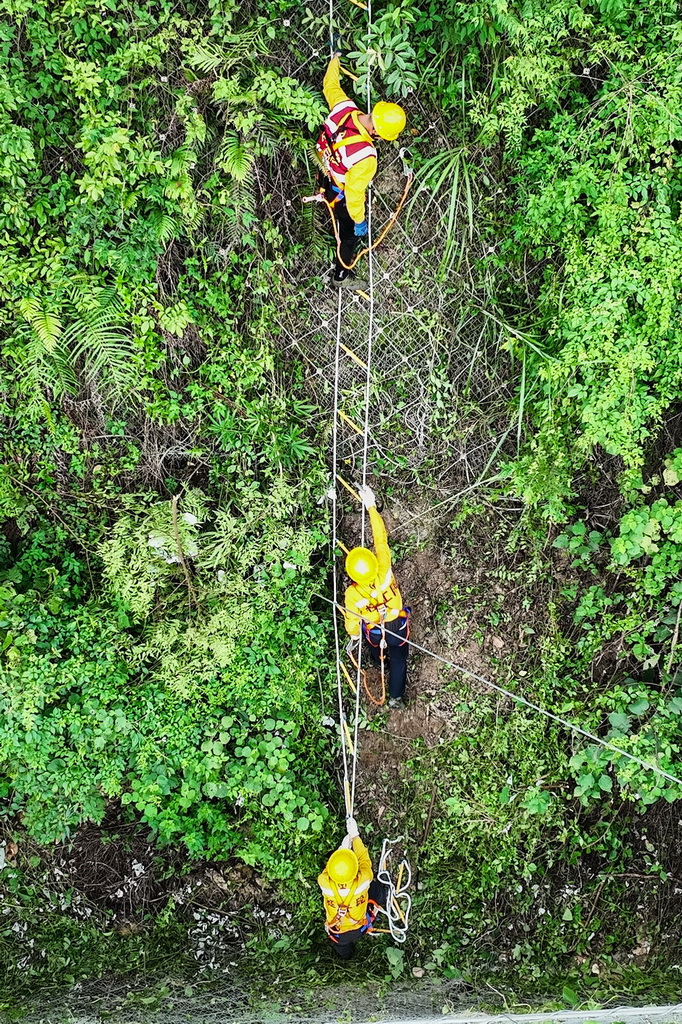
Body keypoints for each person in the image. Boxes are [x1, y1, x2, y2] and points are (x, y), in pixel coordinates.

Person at [316, 54, 406, 291]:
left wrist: (334, 61)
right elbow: (355, 193)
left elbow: (330, 85)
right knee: (349, 236)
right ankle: (341, 275)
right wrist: (359, 220)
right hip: (340, 192)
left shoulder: (344, 108)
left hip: (323, 170)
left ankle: (336, 227)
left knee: (340, 216)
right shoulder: (366, 157)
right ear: (377, 130)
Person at [343, 484, 410, 709]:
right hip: (396, 625)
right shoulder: (383, 566)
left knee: (374, 643)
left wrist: (353, 637)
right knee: (400, 658)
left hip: (374, 631)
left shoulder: (353, 594)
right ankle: (395, 697)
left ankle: (380, 660)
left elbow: (352, 621)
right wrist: (371, 506)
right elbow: (380, 538)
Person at [318, 815, 387, 959]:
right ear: (354, 870)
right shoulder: (363, 880)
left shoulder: (324, 882)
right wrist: (355, 836)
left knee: (342, 947)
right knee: (376, 890)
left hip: (338, 934)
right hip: (360, 927)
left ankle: (346, 957)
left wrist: (341, 849)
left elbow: (329, 869)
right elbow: (364, 860)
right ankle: (385, 895)